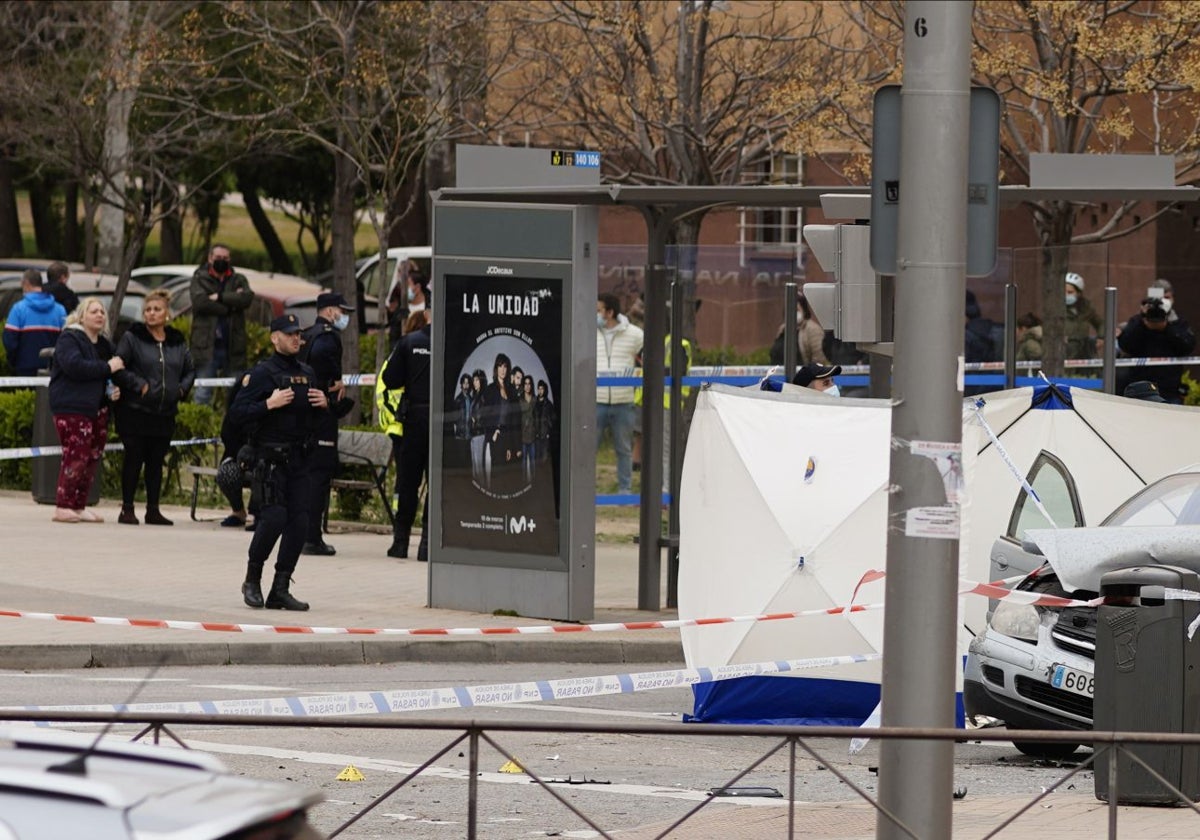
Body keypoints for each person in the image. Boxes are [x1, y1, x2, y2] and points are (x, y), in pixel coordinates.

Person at [227, 313, 329, 611]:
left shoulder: (307, 372)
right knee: (273, 519)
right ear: (275, 338)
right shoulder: (261, 374)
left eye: (298, 334)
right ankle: (252, 579)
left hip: (300, 459)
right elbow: (237, 413)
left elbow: (316, 417)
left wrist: (326, 405)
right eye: (289, 334)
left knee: (299, 522)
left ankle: (280, 588)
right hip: (270, 460)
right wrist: (267, 404)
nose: (296, 338)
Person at [112, 289, 195, 526]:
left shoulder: (177, 341)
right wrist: (139, 385)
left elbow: (190, 369)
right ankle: (127, 508)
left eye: (156, 309)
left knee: (156, 462)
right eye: (147, 310)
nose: (151, 314)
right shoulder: (133, 337)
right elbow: (119, 367)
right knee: (134, 458)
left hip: (165, 412)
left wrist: (181, 389)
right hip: (135, 410)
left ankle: (153, 510)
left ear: (167, 313)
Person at [47, 297, 123, 523]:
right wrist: (107, 367)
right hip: (72, 407)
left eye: (102, 312)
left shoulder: (104, 345)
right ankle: (63, 505)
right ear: (81, 316)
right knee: (76, 456)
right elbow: (75, 366)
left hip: (97, 408)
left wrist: (113, 389)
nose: (100, 315)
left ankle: (79, 505)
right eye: (94, 311)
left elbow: (111, 373)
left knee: (92, 458)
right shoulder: (69, 338)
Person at [298, 292, 355, 556]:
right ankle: (312, 537)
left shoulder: (305, 334)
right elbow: (323, 367)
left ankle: (301, 533)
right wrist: (329, 384)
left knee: (304, 474)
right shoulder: (327, 337)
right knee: (319, 475)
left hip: (303, 416)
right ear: (330, 311)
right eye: (343, 311)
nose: (346, 317)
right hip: (321, 416)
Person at [384, 304, 432, 560]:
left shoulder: (408, 342)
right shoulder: (453, 341)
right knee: (435, 485)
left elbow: (391, 379)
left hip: (414, 420)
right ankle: (427, 545)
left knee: (408, 482)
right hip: (441, 421)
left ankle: (400, 542)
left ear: (426, 314)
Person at [189, 244, 255, 404]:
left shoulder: (238, 278)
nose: (222, 261)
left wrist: (219, 297)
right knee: (203, 393)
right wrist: (230, 306)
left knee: (237, 394)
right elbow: (200, 303)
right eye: (218, 258)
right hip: (207, 347)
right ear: (210, 258)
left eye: (225, 258)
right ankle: (201, 429)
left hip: (233, 346)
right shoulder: (199, 277)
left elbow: (246, 298)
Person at [1116, 280, 1196, 404]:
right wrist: (1143, 322)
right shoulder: (1137, 321)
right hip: (1140, 389)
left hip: (1170, 390)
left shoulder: (1178, 323)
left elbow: (1187, 346)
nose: (1162, 302)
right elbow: (1126, 345)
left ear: (1173, 299)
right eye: (1158, 298)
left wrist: (1167, 328)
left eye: (1166, 298)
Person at [596, 292, 643, 495]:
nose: (596, 314)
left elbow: (647, 358)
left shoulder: (635, 335)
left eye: (599, 310)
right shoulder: (589, 331)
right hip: (595, 400)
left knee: (623, 449)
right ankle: (584, 490)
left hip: (623, 400)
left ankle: (625, 489)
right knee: (589, 448)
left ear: (610, 312)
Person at [3, 269, 66, 376]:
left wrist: (13, 361)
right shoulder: (60, 310)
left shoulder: (18, 309)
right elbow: (65, 340)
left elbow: (10, 341)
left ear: (26, 284)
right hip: (52, 368)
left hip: (24, 367)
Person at [216, 371, 257, 530]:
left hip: (263, 456)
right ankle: (238, 511)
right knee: (227, 472)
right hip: (238, 458)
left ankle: (260, 514)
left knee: (264, 470)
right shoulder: (235, 412)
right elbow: (227, 436)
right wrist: (240, 455)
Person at [769, 293, 829, 368]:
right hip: (778, 374)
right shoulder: (783, 328)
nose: (793, 312)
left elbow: (819, 360)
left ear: (804, 310)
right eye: (790, 309)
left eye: (796, 310)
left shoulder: (813, 330)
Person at [1063, 272, 1103, 362]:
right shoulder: (1056, 308)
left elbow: (1100, 323)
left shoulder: (1086, 308)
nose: (1066, 295)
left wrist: (1101, 337)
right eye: (1064, 292)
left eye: (1070, 292)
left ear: (1078, 293)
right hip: (1067, 348)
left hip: (1084, 346)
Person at [468, 369, 488, 486]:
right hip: (474, 433)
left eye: (476, 380)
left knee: (479, 466)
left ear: (481, 381)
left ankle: (482, 491)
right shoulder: (475, 396)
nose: (474, 382)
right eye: (473, 380)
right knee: (475, 466)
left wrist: (475, 420)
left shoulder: (483, 396)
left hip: (480, 433)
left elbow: (483, 414)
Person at [519, 375, 537, 484]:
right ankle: (523, 483)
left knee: (533, 463)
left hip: (533, 436)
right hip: (522, 436)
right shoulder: (520, 399)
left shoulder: (535, 399)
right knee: (523, 463)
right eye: (525, 383)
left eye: (529, 383)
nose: (527, 386)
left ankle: (534, 485)